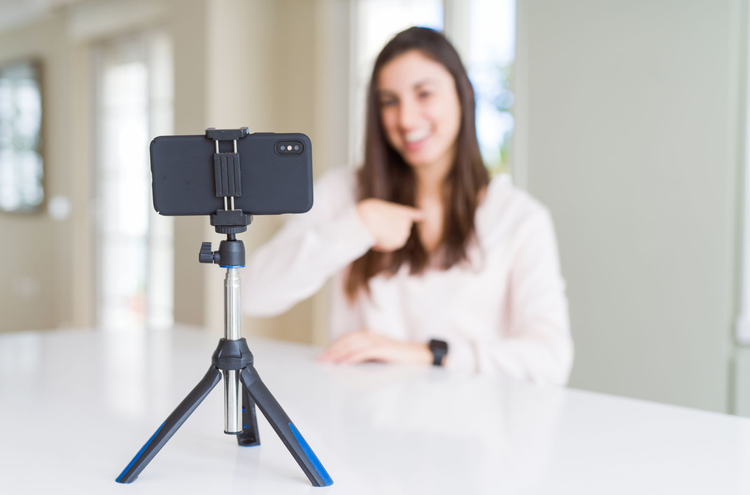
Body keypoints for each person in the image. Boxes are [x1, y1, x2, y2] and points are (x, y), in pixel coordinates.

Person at [242, 27, 573, 385]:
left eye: (424, 94)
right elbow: (253, 295)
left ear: (463, 95)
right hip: (359, 420)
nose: (406, 119)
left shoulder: (519, 218)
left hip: (471, 429)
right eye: (389, 101)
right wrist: (357, 225)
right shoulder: (343, 192)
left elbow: (550, 358)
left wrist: (426, 353)